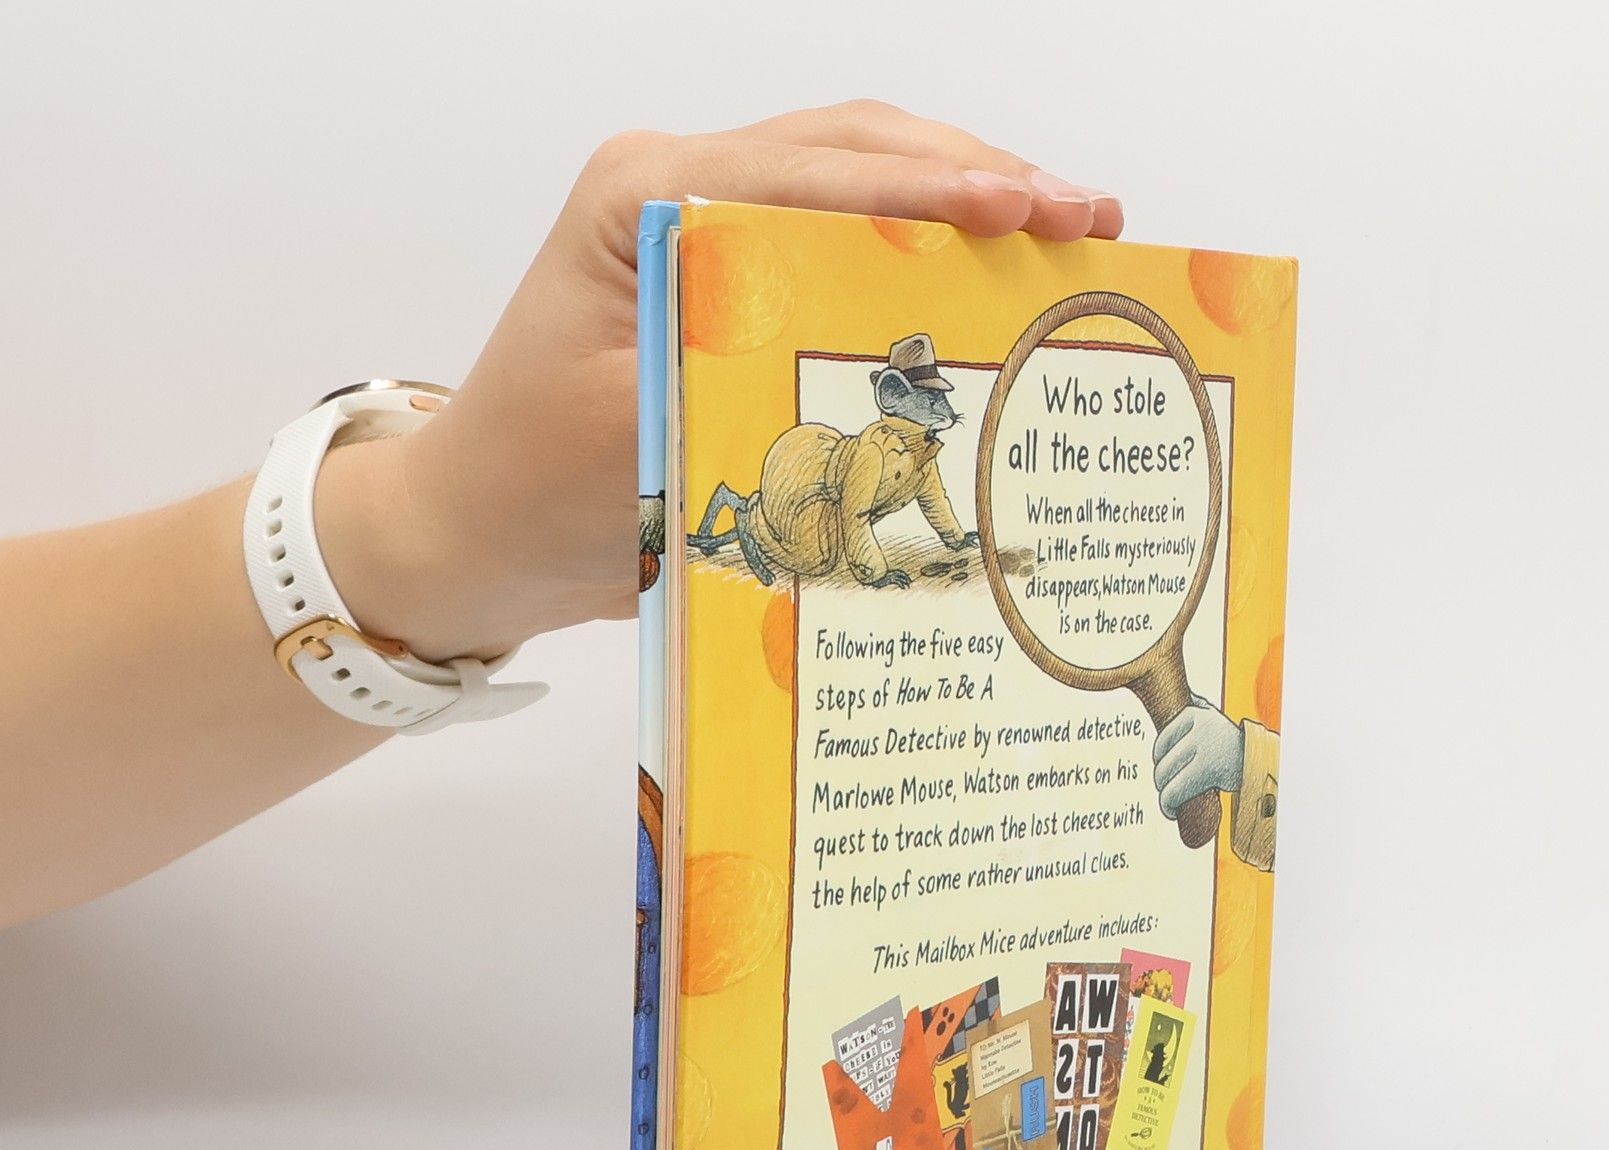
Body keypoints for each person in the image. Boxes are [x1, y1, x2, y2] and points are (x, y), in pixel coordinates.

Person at [0, 103, 1121, 932]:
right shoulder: (871, 452)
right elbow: (861, 510)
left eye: (931, 416)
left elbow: (926, 497)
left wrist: (445, 531)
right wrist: (443, 522)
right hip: (812, 515)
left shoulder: (918, 457)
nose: (925, 429)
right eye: (918, 413)